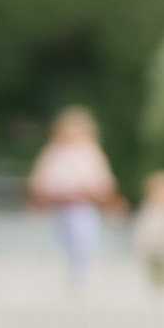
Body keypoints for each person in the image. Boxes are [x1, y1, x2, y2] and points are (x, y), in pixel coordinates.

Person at [28, 107, 125, 288]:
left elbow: (102, 181)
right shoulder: (54, 152)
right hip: (60, 206)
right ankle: (73, 270)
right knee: (67, 241)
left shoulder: (90, 152)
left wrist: (110, 202)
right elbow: (42, 180)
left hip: (83, 205)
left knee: (83, 240)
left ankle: (80, 273)